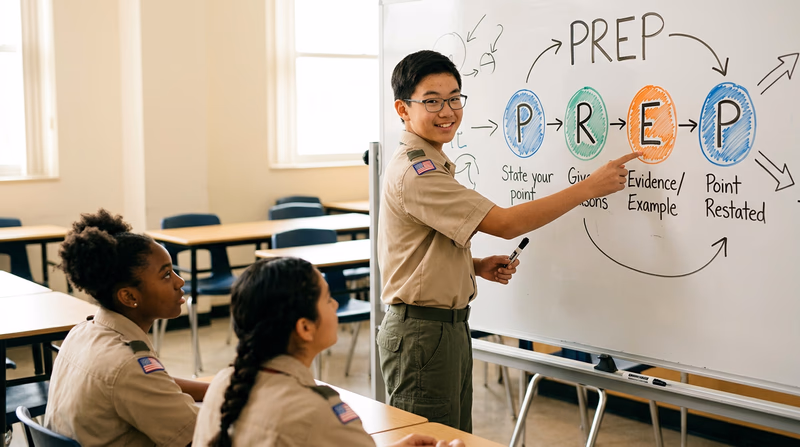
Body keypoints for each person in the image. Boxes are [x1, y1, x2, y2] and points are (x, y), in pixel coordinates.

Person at [377, 49, 642, 432]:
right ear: (403, 109)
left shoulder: (430, 161)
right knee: (433, 441)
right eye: (432, 101)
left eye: (454, 98)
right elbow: (506, 223)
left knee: (451, 438)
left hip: (441, 330)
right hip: (423, 334)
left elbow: (412, 252)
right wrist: (590, 187)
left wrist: (473, 266)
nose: (448, 111)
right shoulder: (418, 172)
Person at [194, 257, 464, 447]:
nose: (336, 303)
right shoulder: (318, 412)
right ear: (305, 327)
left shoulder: (224, 385)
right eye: (327, 298)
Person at [45, 209, 208, 446]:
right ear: (129, 296)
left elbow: (156, 384)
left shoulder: (82, 332)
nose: (179, 281)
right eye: (165, 275)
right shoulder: (128, 363)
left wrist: (219, 389)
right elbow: (200, 435)